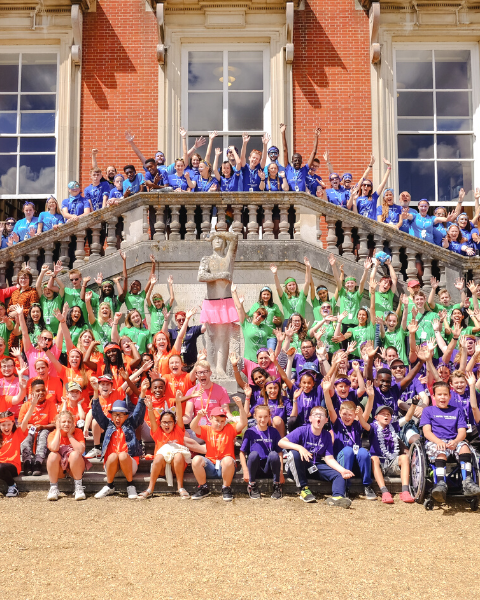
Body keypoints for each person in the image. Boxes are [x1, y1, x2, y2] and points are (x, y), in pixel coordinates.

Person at [279, 405, 354, 507]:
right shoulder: (302, 430)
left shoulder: (327, 435)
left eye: (322, 415)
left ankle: (337, 498)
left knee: (339, 474)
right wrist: (300, 448)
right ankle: (303, 489)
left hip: (315, 465)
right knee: (294, 453)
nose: (318, 417)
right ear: (310, 419)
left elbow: (329, 458)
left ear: (326, 420)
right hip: (299, 466)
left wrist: (342, 470)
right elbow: (281, 442)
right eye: (315, 415)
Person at [420, 380, 480, 504]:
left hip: (454, 441)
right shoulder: (428, 411)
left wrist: (456, 441)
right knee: (440, 451)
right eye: (439, 395)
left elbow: (462, 432)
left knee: (464, 447)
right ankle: (440, 484)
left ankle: (467, 482)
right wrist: (438, 441)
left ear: (450, 396)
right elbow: (427, 432)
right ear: (434, 396)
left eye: (445, 394)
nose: (442, 397)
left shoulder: (457, 411)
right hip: (435, 442)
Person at [322, 376, 377, 500]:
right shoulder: (336, 423)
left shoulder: (357, 423)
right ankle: (345, 486)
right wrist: (326, 392)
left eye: (350, 415)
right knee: (347, 450)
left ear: (355, 416)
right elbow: (330, 408)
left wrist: (371, 397)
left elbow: (366, 413)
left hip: (356, 464)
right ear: (340, 413)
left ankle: (367, 485)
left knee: (363, 452)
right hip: (341, 462)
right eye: (344, 414)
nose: (347, 417)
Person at [92, 377, 147, 500]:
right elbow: (97, 413)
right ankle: (109, 486)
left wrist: (142, 393)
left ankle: (130, 485)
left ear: (126, 416)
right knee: (112, 456)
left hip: (129, 464)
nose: (117, 418)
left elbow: (138, 412)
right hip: (112, 467)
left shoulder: (131, 423)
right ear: (111, 415)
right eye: (115, 415)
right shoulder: (108, 424)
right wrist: (96, 392)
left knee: (122, 455)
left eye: (121, 415)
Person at [190, 396, 247, 501]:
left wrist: (240, 407)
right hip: (211, 466)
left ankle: (226, 488)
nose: (220, 423)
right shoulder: (207, 429)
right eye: (217, 420)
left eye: (222, 421)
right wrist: (198, 416)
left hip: (226, 467)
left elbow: (243, 423)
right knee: (196, 459)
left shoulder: (230, 428)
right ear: (210, 419)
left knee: (228, 460)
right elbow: (193, 427)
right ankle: (203, 487)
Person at [139, 391, 191, 499]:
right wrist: (150, 408)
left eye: (170, 422)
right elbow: (153, 421)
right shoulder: (158, 432)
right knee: (158, 457)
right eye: (164, 422)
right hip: (161, 467)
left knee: (178, 455)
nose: (167, 424)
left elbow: (180, 416)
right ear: (161, 423)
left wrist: (178, 401)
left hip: (177, 465)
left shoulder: (178, 430)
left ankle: (180, 487)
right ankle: (150, 489)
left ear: (174, 423)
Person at [361, 403, 416, 504]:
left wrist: (414, 404)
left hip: (392, 462)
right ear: (376, 417)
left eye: (388, 414)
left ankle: (405, 491)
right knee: (374, 458)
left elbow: (407, 418)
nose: (386, 416)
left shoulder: (393, 426)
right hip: (379, 464)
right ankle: (384, 491)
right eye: (383, 414)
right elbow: (364, 424)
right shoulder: (373, 427)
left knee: (404, 457)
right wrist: (360, 415)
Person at [239, 404, 284, 500]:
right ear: (254, 416)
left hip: (269, 467)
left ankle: (277, 485)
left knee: (273, 454)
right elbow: (242, 452)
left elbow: (280, 452)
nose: (262, 420)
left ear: (269, 417)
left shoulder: (274, 431)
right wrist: (245, 470)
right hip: (255, 468)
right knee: (253, 454)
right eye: (260, 417)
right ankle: (252, 485)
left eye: (265, 417)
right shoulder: (250, 432)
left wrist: (280, 472)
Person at [46, 409, 89, 501]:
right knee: (52, 455)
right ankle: (53, 488)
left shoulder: (77, 432)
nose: (66, 424)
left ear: (73, 423)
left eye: (69, 422)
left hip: (75, 468)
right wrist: (58, 430)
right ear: (58, 423)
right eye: (63, 422)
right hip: (61, 470)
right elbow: (54, 448)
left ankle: (78, 487)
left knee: (74, 454)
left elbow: (80, 450)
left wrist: (70, 435)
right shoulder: (52, 434)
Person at [18, 379, 57, 476]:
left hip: (44, 431)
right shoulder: (26, 405)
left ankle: (38, 463)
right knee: (28, 433)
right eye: (38, 391)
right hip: (29, 432)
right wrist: (28, 425)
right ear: (32, 392)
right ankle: (27, 462)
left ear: (46, 391)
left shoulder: (51, 404)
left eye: (43, 390)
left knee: (43, 433)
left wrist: (42, 426)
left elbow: (55, 424)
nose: (41, 393)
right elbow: (19, 424)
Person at [0, 401, 38, 497]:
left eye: (8, 424)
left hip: (13, 466)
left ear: (13, 423)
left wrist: (32, 405)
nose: (6, 427)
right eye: (3, 425)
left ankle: (12, 486)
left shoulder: (17, 433)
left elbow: (25, 420)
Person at [329, 254, 371, 331]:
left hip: (355, 324)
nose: (350, 284)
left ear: (355, 284)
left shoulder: (357, 294)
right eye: (348, 283)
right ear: (345, 284)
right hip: (343, 323)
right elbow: (337, 280)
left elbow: (362, 283)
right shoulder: (342, 293)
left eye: (352, 283)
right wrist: (333, 266)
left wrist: (366, 270)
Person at [280, 123, 321, 192]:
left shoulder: (305, 170)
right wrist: (283, 133)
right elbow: (285, 150)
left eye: (299, 160)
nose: (297, 162)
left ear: (302, 161)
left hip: (301, 199)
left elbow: (314, 152)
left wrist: (316, 137)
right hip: (290, 198)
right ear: (292, 161)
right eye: (295, 160)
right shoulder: (288, 168)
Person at [269, 257, 312, 321]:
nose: (292, 287)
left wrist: (307, 268)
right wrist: (275, 274)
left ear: (296, 285)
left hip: (300, 322)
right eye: (289, 285)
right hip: (288, 322)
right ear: (286, 287)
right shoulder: (284, 297)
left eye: (293, 284)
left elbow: (307, 282)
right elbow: (278, 288)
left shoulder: (301, 296)